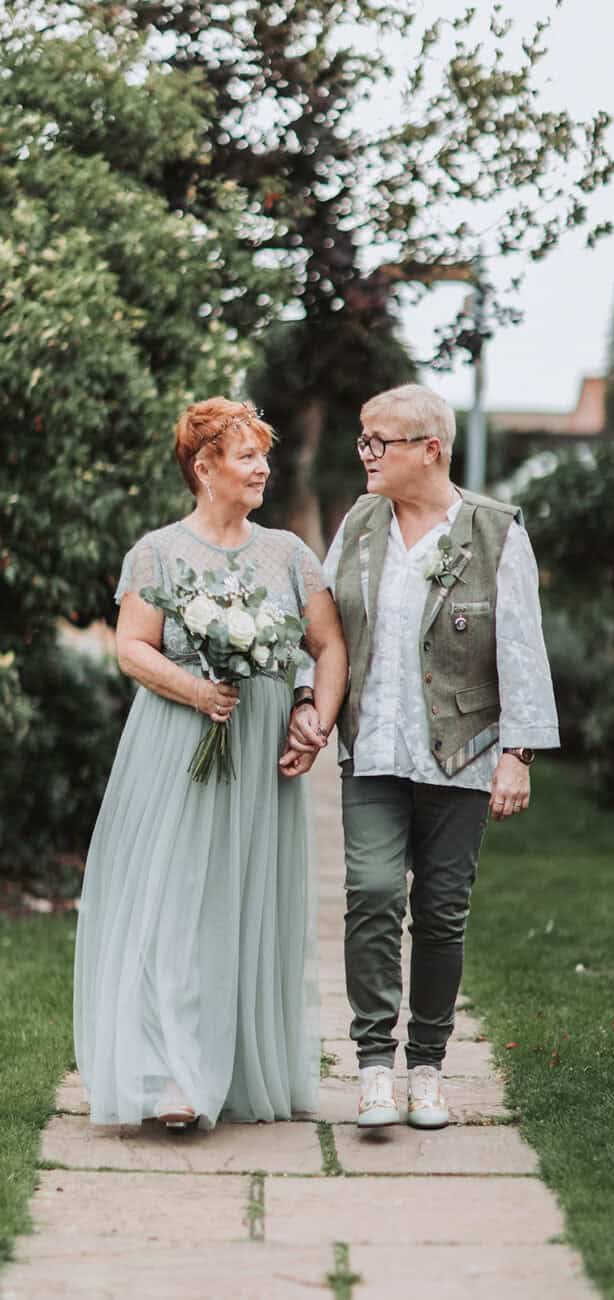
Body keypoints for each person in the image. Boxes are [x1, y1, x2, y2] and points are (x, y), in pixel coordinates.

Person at [286, 384, 559, 1129]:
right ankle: (375, 1066)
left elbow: (522, 649)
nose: (365, 453)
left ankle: (428, 1069)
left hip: (461, 757)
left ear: (430, 450)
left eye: (381, 441)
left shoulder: (496, 532)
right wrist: (310, 699)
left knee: (441, 915)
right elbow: (326, 629)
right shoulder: (363, 523)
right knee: (372, 895)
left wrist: (519, 754)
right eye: (363, 440)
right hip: (372, 750)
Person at [74, 397, 347, 1130]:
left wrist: (311, 716)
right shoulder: (158, 552)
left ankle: (229, 1067)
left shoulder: (289, 554)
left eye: (263, 454)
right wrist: (196, 688)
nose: (262, 467)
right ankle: (170, 1075)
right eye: (247, 455)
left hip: (259, 750)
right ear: (205, 468)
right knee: (175, 897)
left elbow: (326, 647)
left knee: (246, 900)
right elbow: (133, 647)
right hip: (175, 741)